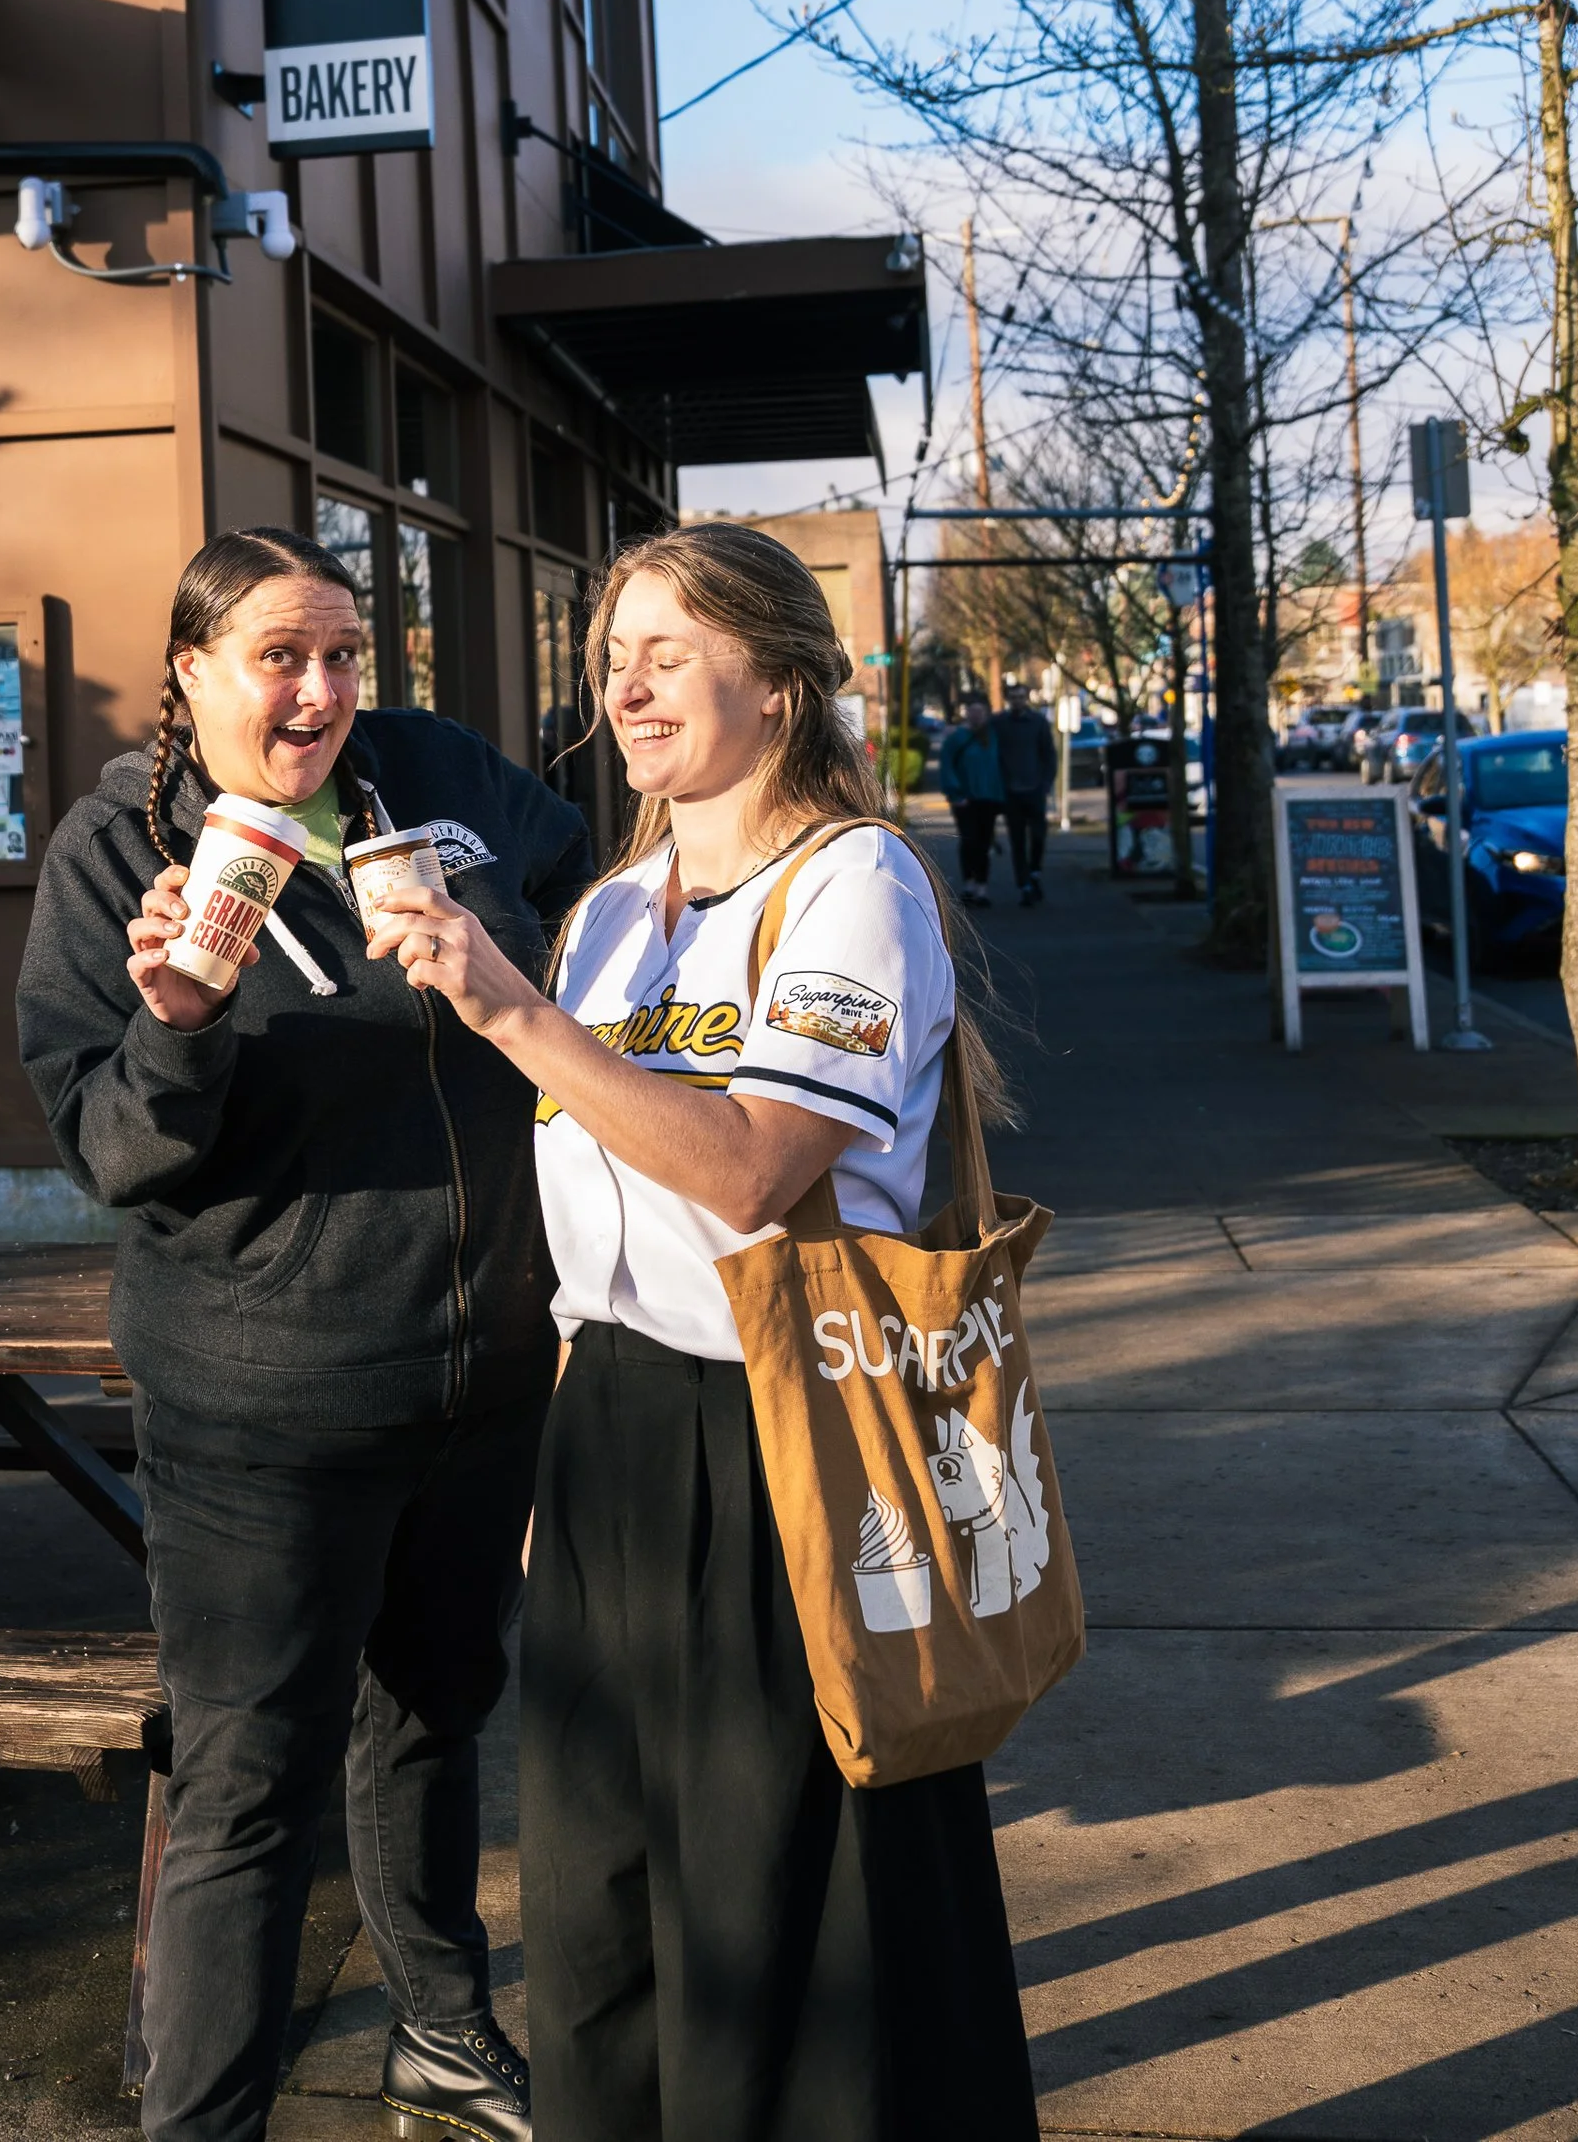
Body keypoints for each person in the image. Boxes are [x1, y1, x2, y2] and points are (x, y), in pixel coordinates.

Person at [362, 524, 1038, 2142]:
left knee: (774, 1900)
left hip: (789, 1421)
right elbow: (592, 1218)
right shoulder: (611, 911)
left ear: (783, 685)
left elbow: (748, 1169)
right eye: (615, 651)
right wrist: (566, 1461)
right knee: (600, 1904)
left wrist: (511, 1010)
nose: (629, 678)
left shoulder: (855, 886)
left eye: (671, 646)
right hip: (614, 1439)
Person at [18, 528, 591, 2142]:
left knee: (433, 1716)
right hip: (263, 1407)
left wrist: (521, 975)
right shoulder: (111, 859)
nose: (325, 690)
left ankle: (440, 2029)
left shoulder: (430, 778)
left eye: (345, 653)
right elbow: (115, 1152)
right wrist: (180, 1032)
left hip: (482, 1376)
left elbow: (602, 891)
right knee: (247, 1790)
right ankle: (204, 2123)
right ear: (194, 671)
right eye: (282, 655)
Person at [936, 690, 1003, 908]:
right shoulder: (957, 739)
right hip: (965, 799)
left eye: (980, 711)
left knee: (984, 843)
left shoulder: (993, 736)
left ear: (986, 713)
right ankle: (969, 884)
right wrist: (955, 793)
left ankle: (982, 887)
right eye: (972, 711)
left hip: (989, 798)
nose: (976, 715)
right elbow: (947, 767)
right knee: (968, 840)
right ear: (967, 714)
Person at [992, 684, 1057, 909]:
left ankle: (1035, 872)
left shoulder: (1038, 722)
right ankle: (1025, 886)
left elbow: (1049, 754)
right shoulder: (999, 723)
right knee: (1017, 841)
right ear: (1008, 699)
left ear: (1026, 698)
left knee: (1038, 836)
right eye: (1013, 697)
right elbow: (992, 753)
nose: (1018, 701)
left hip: (1035, 790)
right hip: (1011, 793)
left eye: (1021, 697)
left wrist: (1046, 783)